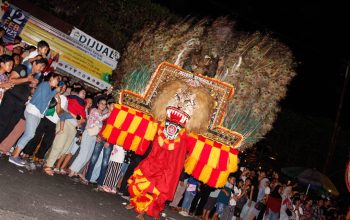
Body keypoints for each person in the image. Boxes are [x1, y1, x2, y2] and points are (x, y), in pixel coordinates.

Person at [8, 72, 60, 167]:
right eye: (57, 80)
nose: (57, 82)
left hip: (37, 113)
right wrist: (55, 91)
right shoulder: (45, 85)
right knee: (30, 134)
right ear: (51, 78)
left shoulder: (47, 87)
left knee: (29, 134)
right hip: (33, 111)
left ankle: (15, 154)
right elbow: (45, 99)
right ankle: (14, 156)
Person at [68, 98, 110, 177]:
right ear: (97, 104)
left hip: (93, 136)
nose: (103, 105)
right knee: (83, 154)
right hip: (88, 134)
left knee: (88, 156)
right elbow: (99, 118)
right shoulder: (94, 110)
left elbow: (97, 124)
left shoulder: (101, 114)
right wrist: (110, 113)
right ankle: (72, 170)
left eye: (104, 104)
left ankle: (75, 171)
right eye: (101, 103)